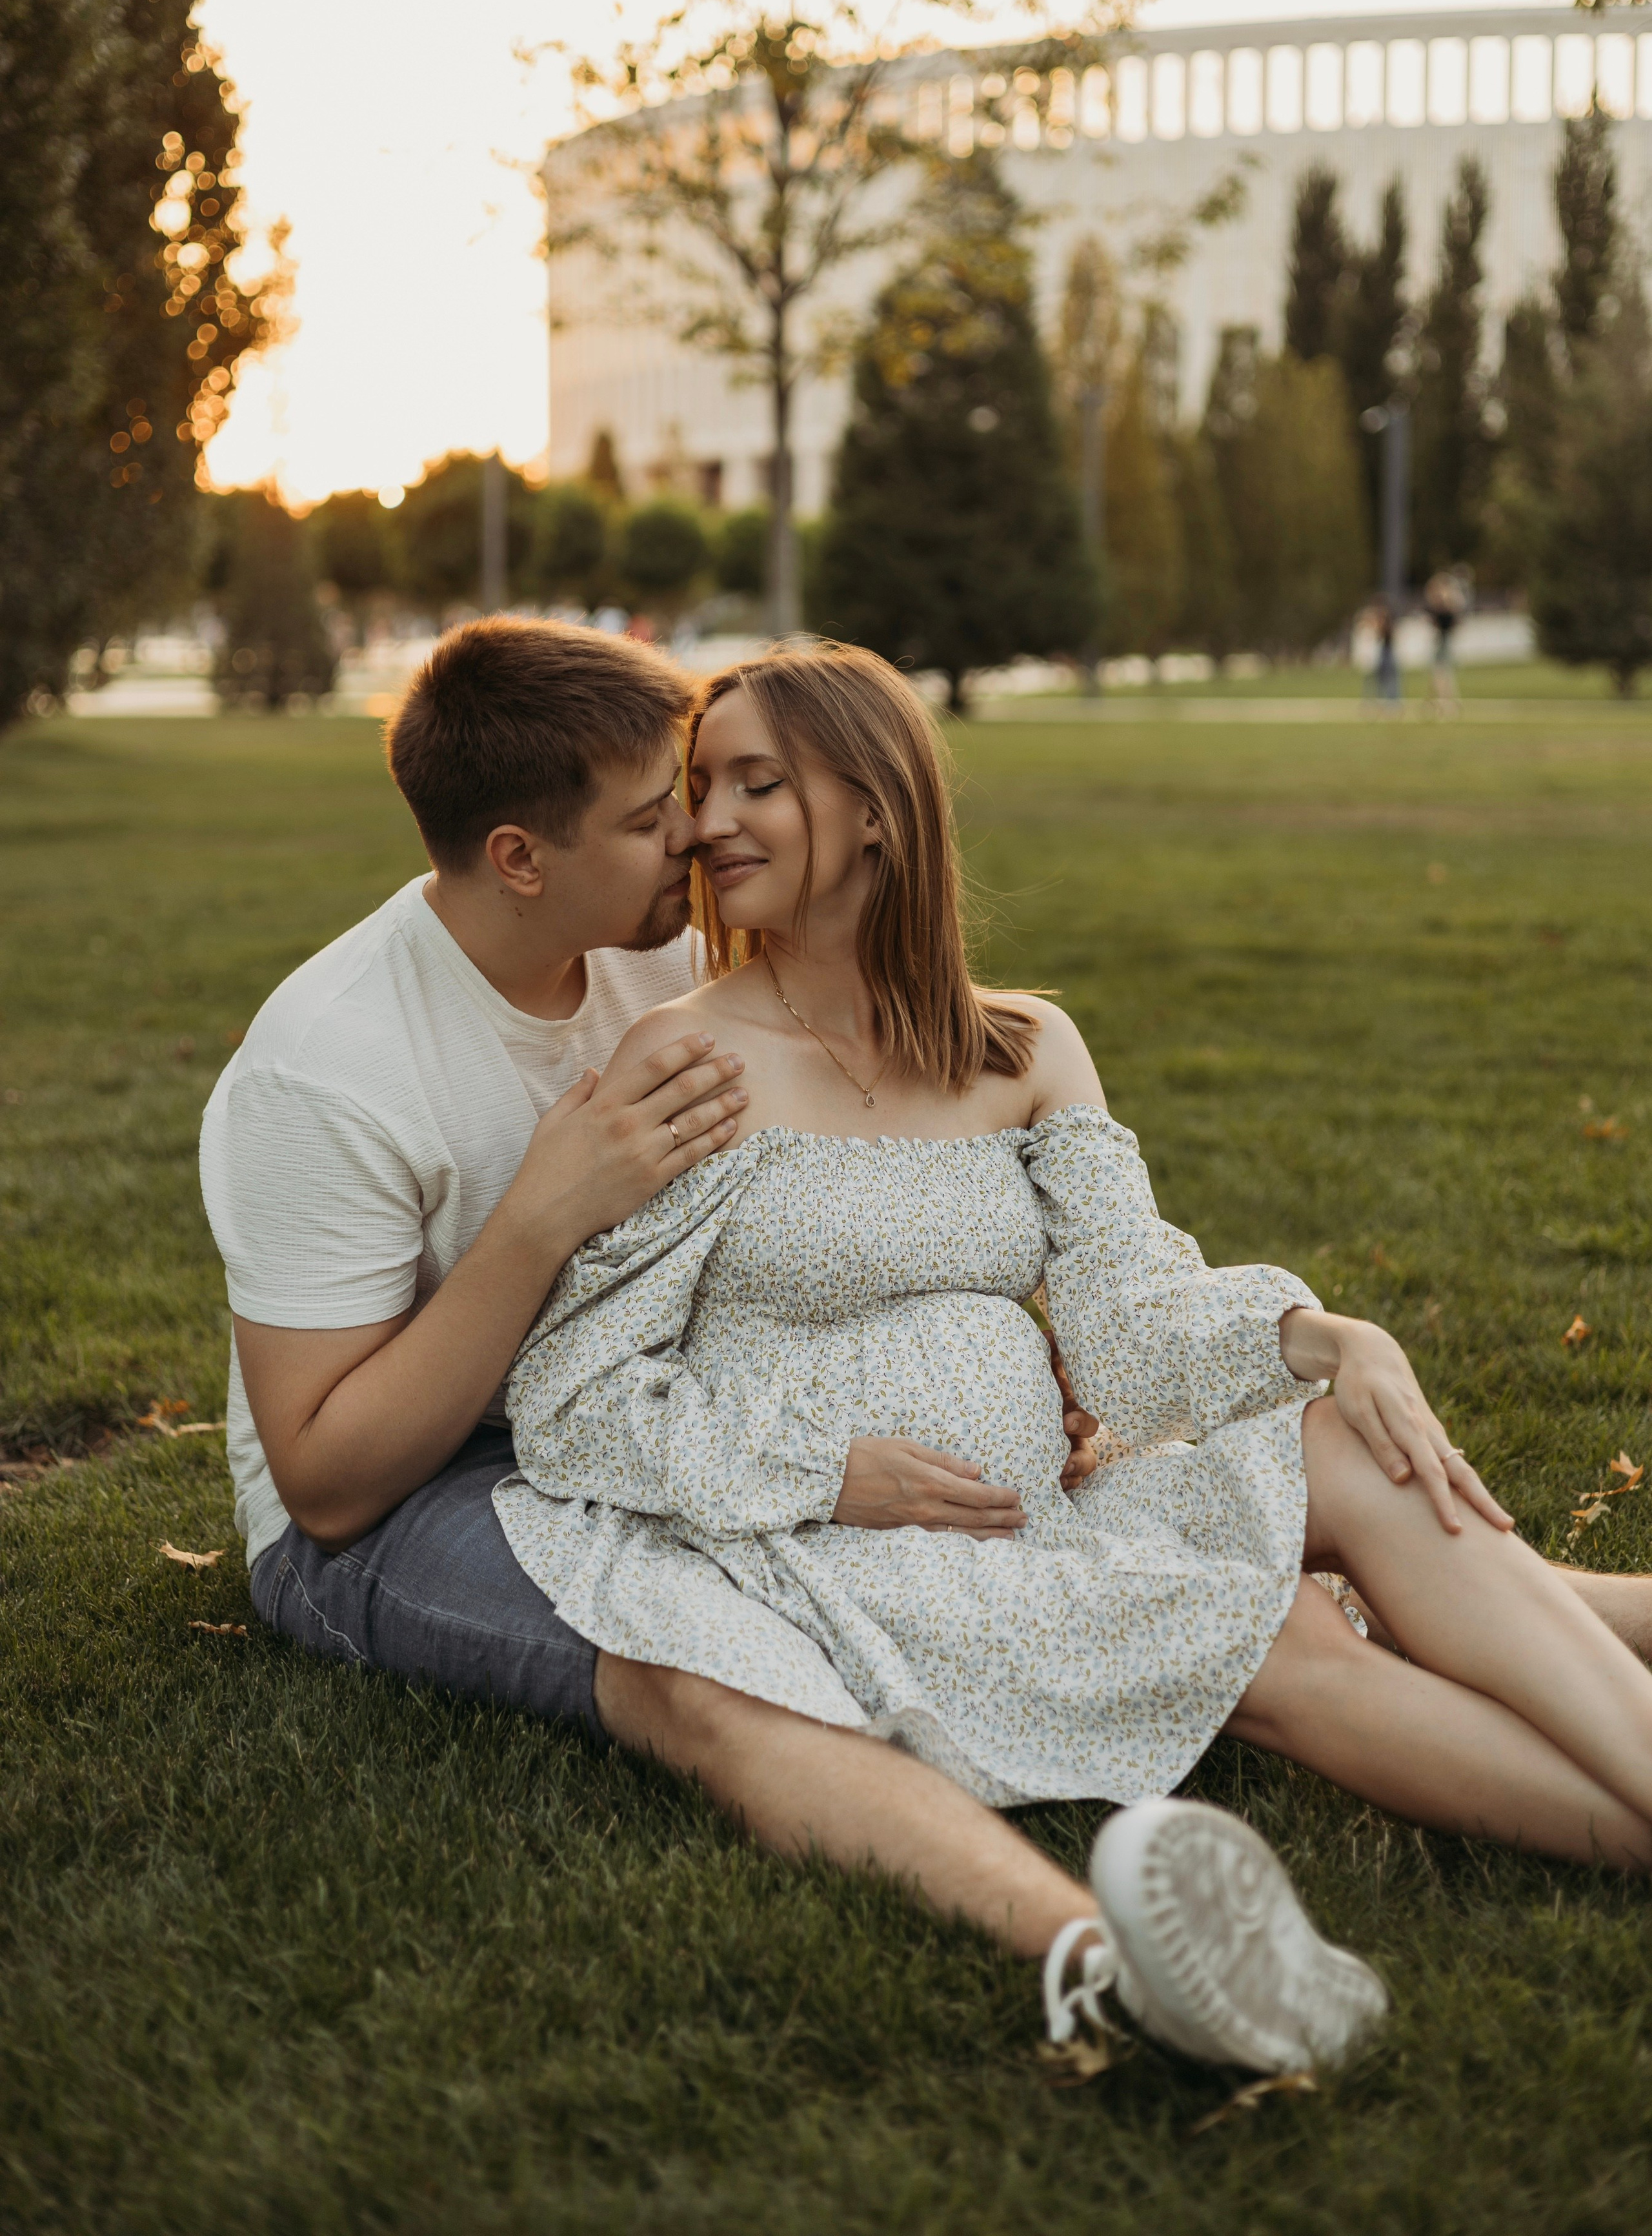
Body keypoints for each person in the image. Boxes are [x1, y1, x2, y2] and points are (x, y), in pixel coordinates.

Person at [202, 616, 1365, 2084]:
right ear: (519, 857)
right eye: (650, 816)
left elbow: (858, 1153)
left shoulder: (656, 947)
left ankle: (1592, 1618)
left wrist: (1027, 1360)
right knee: (712, 1673)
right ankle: (1102, 1957)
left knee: (1227, 1491)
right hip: (418, 1483)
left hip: (646, 1409)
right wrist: (534, 1226)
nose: (695, 835)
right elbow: (322, 1480)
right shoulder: (332, 1066)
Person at [498, 640, 1652, 2055]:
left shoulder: (1023, 1046)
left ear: (875, 808)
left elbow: (1123, 1324)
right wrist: (824, 1469)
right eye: (698, 787)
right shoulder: (687, 1062)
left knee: (1346, 1442)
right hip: (848, 1552)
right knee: (1274, 1635)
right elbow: (570, 1399)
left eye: (758, 784)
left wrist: (1318, 1335)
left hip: (1052, 1505)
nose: (709, 823)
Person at [1424, 567, 1467, 712]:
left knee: (1443, 673)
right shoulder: (1440, 605)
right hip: (1440, 639)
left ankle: (1447, 702)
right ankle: (1440, 701)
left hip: (1444, 639)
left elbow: (1450, 620)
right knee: (1439, 673)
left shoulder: (1448, 606)